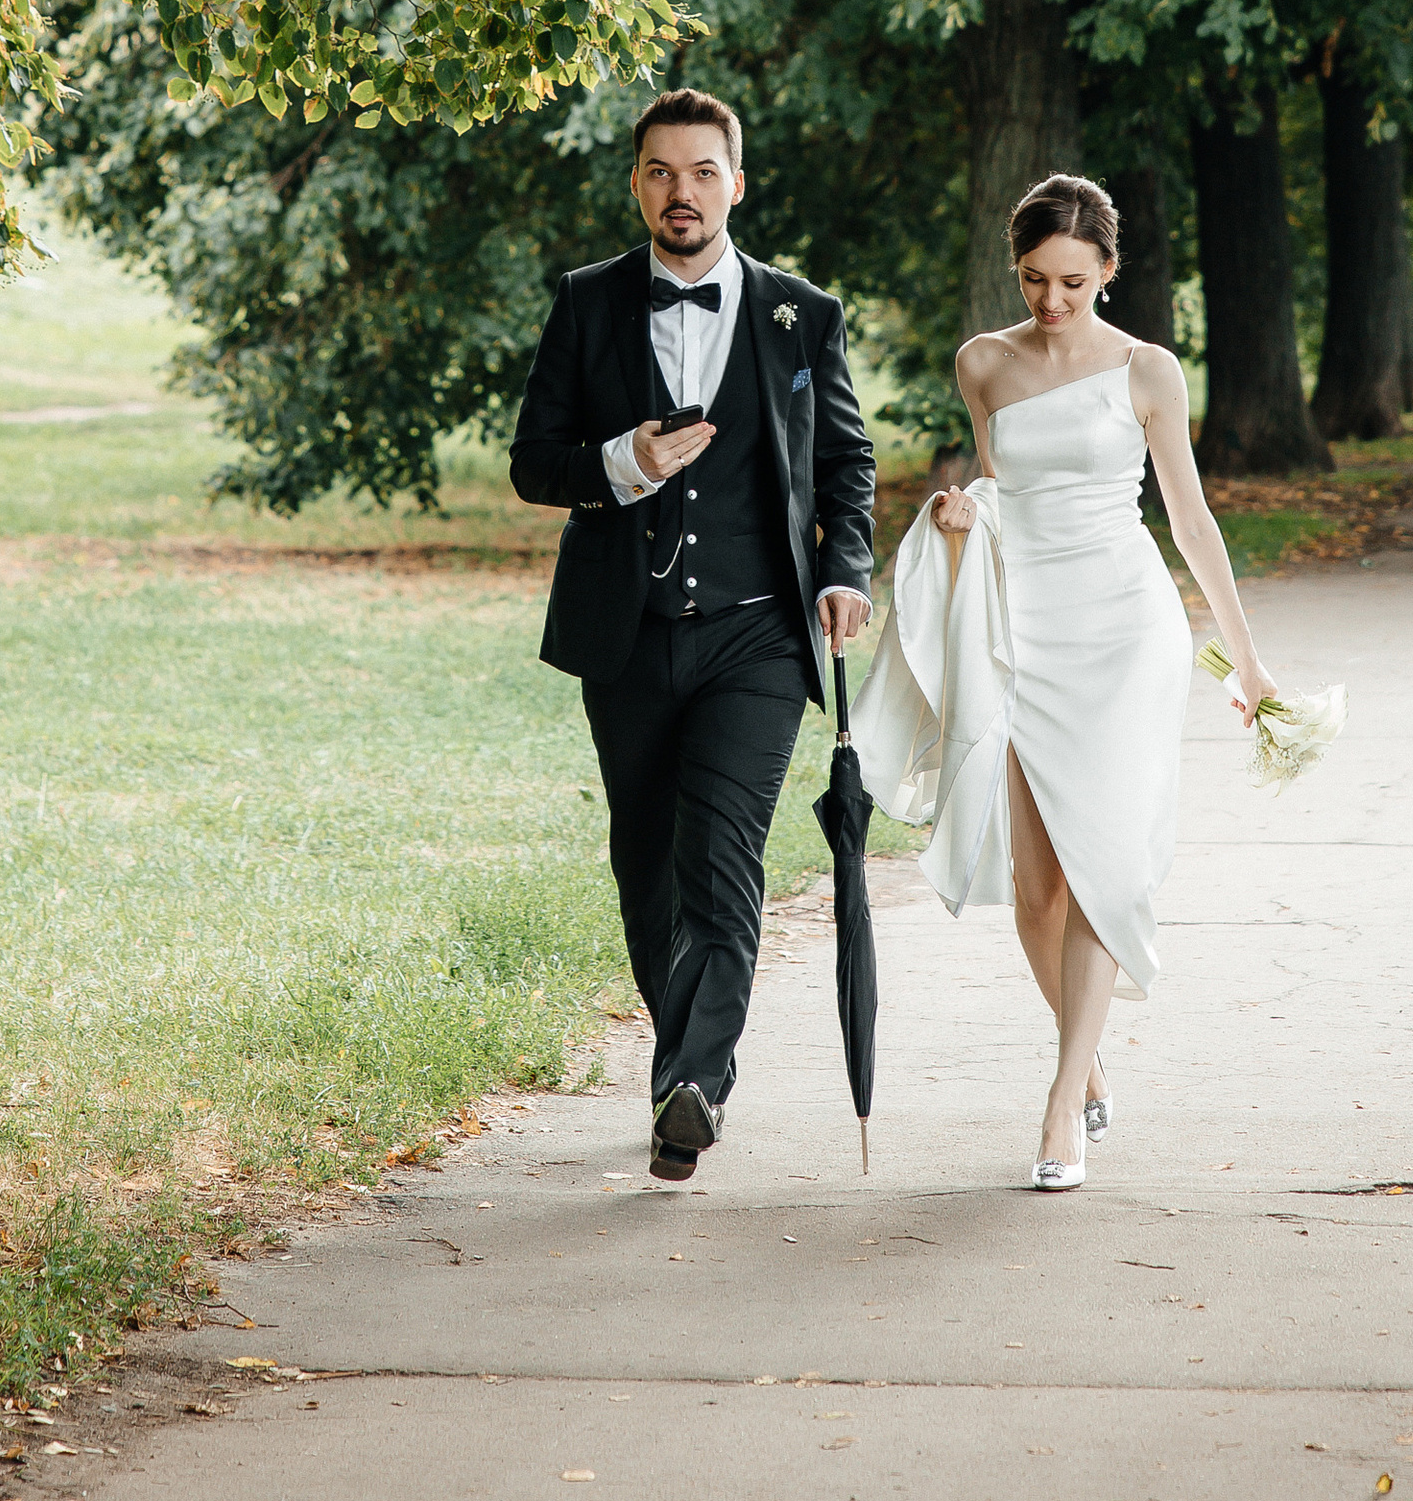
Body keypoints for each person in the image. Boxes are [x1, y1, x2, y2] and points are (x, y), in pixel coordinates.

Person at [850, 171, 1275, 1194]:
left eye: (1073, 282)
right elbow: (1001, 489)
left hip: (1125, 629)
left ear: (1108, 273)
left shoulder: (1147, 371)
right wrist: (963, 514)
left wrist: (1246, 656)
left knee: (1096, 865)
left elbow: (1190, 519)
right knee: (1033, 886)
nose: (1052, 301)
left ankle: (1058, 1107)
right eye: (1037, 280)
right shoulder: (982, 364)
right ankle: (1088, 1050)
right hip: (1021, 627)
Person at [509, 87, 876, 1184]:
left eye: (703, 172)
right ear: (636, 183)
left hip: (756, 637)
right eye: (661, 172)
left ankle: (696, 1085)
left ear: (737, 183)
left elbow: (845, 465)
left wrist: (846, 570)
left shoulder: (799, 314)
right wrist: (622, 462)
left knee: (723, 864)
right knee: (646, 869)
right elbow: (535, 462)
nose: (682, 192)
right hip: (625, 635)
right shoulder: (585, 303)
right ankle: (681, 1066)